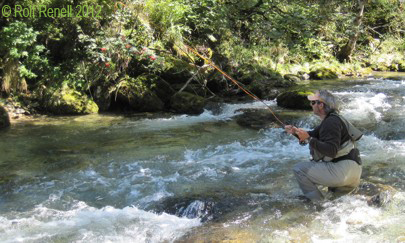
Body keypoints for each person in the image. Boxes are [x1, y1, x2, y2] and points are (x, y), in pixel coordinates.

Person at [285, 90, 362, 201]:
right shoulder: (333, 119)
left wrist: (309, 139)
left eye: (313, 103)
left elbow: (331, 150)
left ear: (321, 105)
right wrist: (295, 132)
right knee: (336, 202)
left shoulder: (331, 122)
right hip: (352, 171)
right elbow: (311, 135)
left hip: (342, 171)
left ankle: (317, 204)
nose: (311, 105)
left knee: (299, 169)